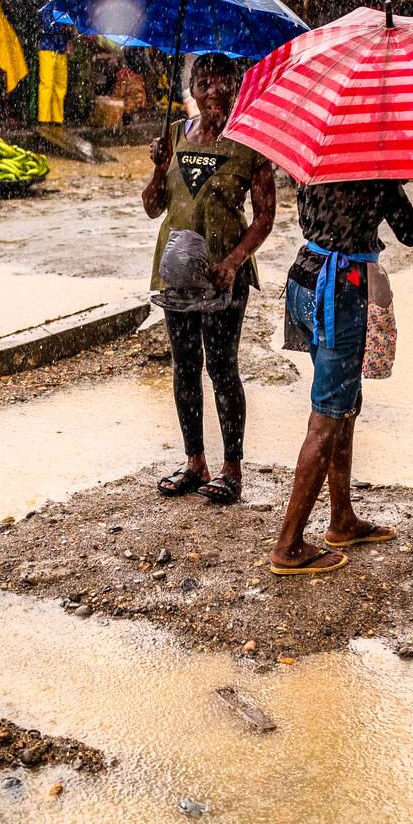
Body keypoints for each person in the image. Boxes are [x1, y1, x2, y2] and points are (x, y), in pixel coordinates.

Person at [269, 178, 413, 574]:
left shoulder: (315, 164)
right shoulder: (375, 173)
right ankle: (289, 544)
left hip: (304, 278)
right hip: (339, 289)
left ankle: (342, 518)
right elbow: (410, 231)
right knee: (328, 415)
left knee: (345, 403)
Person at [142, 53, 276, 504]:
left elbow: (265, 217)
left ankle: (231, 468)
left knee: (221, 366)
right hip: (176, 272)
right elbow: (152, 207)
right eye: (205, 81)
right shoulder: (175, 137)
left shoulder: (249, 144)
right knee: (184, 366)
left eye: (223, 81)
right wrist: (160, 167)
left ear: (236, 87)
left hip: (224, 275)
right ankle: (194, 462)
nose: (214, 89)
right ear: (193, 90)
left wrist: (235, 261)